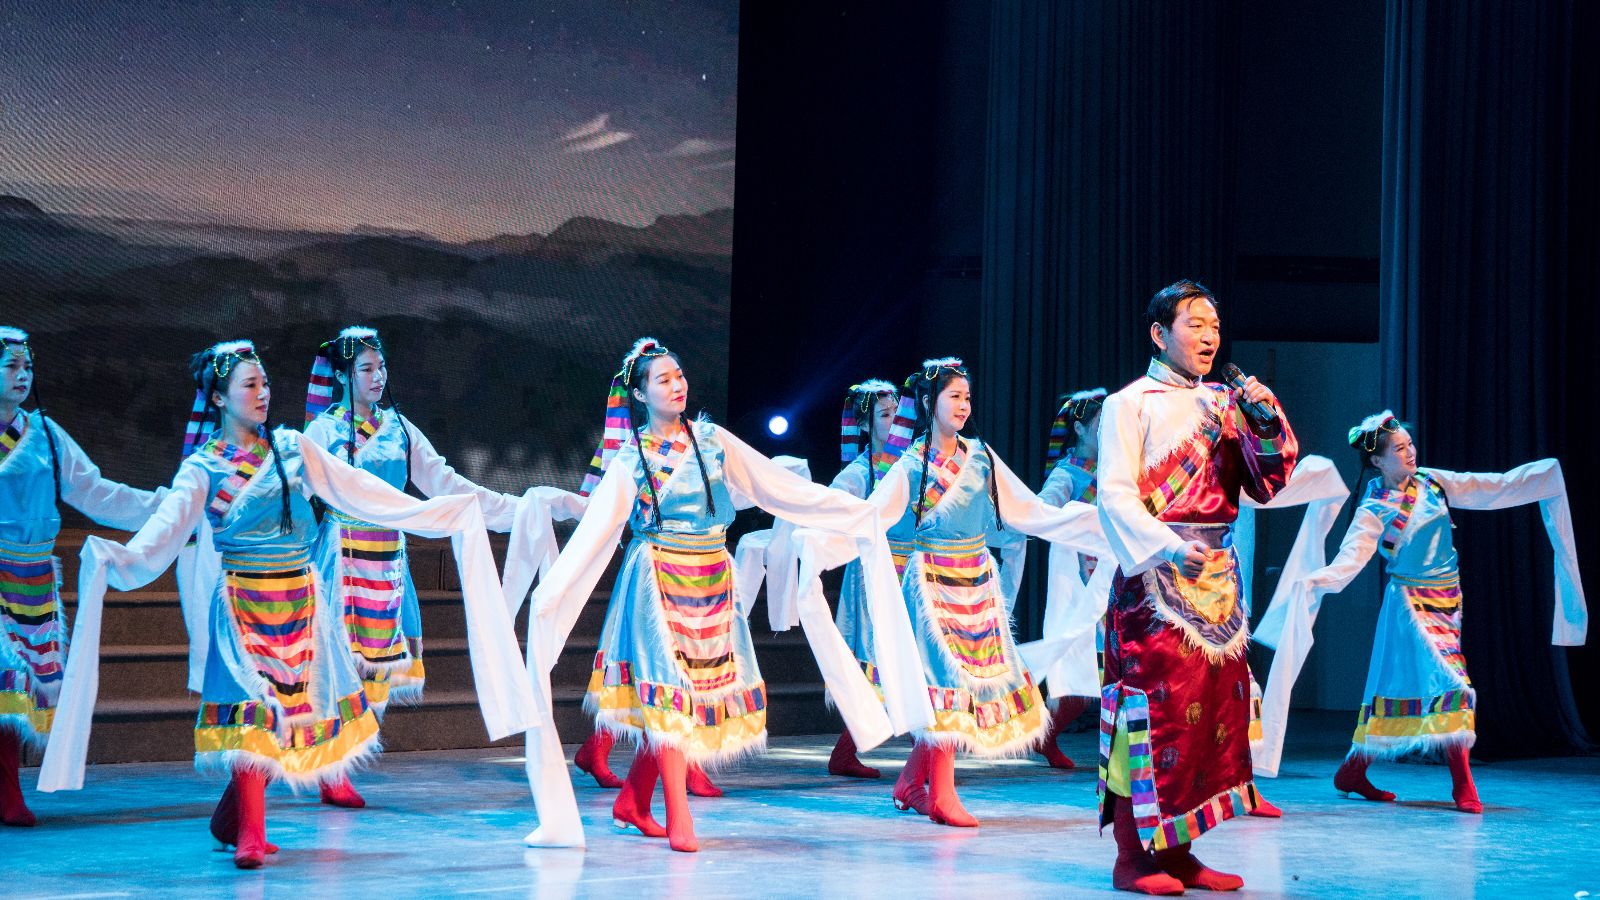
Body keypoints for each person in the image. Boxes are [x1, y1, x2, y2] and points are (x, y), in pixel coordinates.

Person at [38, 339, 533, 868]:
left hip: (302, 599)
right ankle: (251, 835)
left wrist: (449, 511)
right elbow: (164, 534)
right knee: (253, 713)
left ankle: (232, 819)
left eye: (266, 383)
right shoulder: (202, 469)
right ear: (219, 398)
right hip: (243, 603)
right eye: (249, 385)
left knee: (293, 716)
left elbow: (361, 491)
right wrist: (119, 558)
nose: (263, 393)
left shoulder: (294, 448)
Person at [524, 338, 912, 852]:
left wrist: (853, 512)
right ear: (639, 394)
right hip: (657, 578)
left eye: (679, 375)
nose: (676, 385)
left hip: (711, 576)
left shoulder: (712, 440)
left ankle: (633, 802)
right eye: (663, 379)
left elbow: (776, 487)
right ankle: (678, 815)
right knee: (669, 691)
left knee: (693, 693)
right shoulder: (630, 458)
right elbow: (596, 530)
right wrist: (551, 593)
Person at [1096, 281, 1297, 894]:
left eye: (1215, 325)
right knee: (1150, 714)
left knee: (1208, 719)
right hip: (1154, 581)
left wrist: (1267, 416)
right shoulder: (1128, 404)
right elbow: (1114, 495)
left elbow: (1267, 485)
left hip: (1217, 579)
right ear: (1159, 333)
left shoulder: (1225, 403)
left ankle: (1181, 851)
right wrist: (1167, 547)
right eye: (1195, 324)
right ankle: (1133, 858)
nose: (1210, 337)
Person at [1296, 411, 1586, 813]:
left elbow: (1489, 488)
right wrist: (1317, 580)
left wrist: (1540, 478)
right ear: (1378, 460)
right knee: (1453, 684)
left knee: (1398, 689)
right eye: (1400, 449)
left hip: (1448, 602)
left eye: (1409, 444)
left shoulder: (1431, 481)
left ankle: (1353, 770)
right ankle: (1462, 784)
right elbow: (1351, 558)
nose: (1410, 452)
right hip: (1410, 609)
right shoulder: (1374, 507)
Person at [873, 359, 1107, 827]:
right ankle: (943, 795)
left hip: (977, 580)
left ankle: (910, 782)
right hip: (931, 581)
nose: (963, 405)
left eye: (967, 397)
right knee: (948, 684)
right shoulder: (911, 465)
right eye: (954, 397)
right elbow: (875, 516)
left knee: (967, 686)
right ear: (928, 402)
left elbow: (1026, 510)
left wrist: (1091, 524)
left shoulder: (980, 456)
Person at [302, 326, 523, 808]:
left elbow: (444, 481)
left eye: (381, 367)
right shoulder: (323, 432)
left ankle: (345, 758)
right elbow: (300, 493)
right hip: (340, 555)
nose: (378, 376)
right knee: (338, 663)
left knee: (381, 667)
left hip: (387, 557)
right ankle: (330, 766)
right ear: (342, 376)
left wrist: (511, 509)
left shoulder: (399, 428)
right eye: (366, 369)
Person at [0, 327, 166, 827]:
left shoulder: (45, 435)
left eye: (27, 367)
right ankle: (7, 790)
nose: (23, 375)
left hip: (31, 574)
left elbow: (95, 491)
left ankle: (6, 788)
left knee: (16, 687)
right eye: (11, 366)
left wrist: (166, 510)